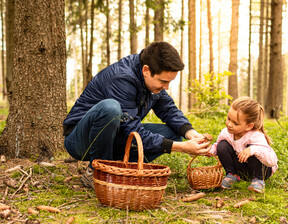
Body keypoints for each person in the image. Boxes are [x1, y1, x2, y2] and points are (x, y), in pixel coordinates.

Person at [63, 41, 211, 188]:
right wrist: (182, 148)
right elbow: (132, 130)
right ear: (146, 70)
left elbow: (168, 110)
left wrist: (190, 134)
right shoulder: (121, 78)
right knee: (111, 109)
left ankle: (118, 168)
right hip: (80, 140)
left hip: (114, 136)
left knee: (174, 135)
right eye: (163, 81)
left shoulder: (150, 80)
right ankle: (96, 172)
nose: (166, 87)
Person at [208, 97, 278, 193]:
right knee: (222, 145)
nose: (229, 124)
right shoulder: (226, 133)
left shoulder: (255, 135)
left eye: (235, 123)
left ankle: (258, 180)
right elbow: (217, 148)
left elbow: (272, 161)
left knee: (253, 149)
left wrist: (253, 150)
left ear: (249, 126)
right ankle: (232, 175)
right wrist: (208, 151)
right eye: (229, 119)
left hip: (262, 170)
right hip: (243, 168)